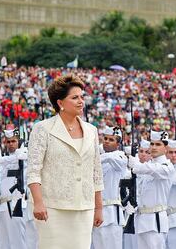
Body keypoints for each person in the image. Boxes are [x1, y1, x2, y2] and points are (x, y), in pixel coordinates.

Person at [27, 74, 104, 249]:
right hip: (51, 208)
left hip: (84, 207)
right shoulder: (43, 129)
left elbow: (96, 171)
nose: (81, 101)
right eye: (75, 97)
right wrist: (38, 202)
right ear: (60, 103)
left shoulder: (91, 131)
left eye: (82, 97)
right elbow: (33, 170)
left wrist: (98, 207)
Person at [0, 128, 38, 249]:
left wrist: (2, 160)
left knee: (19, 242)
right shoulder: (5, 158)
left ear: (20, 141)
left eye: (13, 141)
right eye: (8, 142)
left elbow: (28, 157)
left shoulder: (26, 154)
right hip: (2, 205)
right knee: (4, 243)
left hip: (17, 204)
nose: (10, 144)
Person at [127, 130, 174, 249]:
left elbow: (154, 170)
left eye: (158, 144)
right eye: (152, 144)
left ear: (165, 148)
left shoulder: (167, 167)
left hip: (155, 220)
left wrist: (136, 165)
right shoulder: (148, 166)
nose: (153, 147)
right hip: (141, 220)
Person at [92, 126, 127, 249]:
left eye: (111, 140)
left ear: (118, 144)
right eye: (105, 138)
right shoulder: (98, 155)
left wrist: (96, 156)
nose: (106, 141)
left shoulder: (120, 156)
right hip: (96, 210)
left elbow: (115, 159)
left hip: (112, 212)